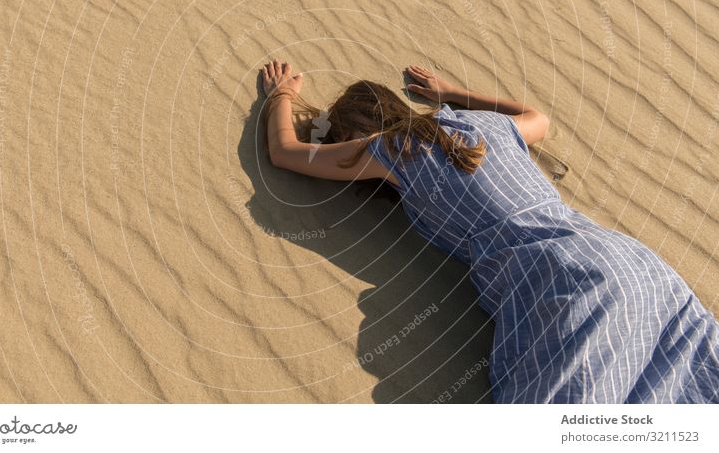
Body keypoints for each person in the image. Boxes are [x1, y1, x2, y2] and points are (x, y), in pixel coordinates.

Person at [259, 59, 719, 403]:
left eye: (344, 135)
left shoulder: (390, 148)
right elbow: (539, 117)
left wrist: (281, 95)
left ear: (357, 131)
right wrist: (450, 93)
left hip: (565, 279)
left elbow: (284, 151)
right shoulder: (488, 127)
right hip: (638, 265)